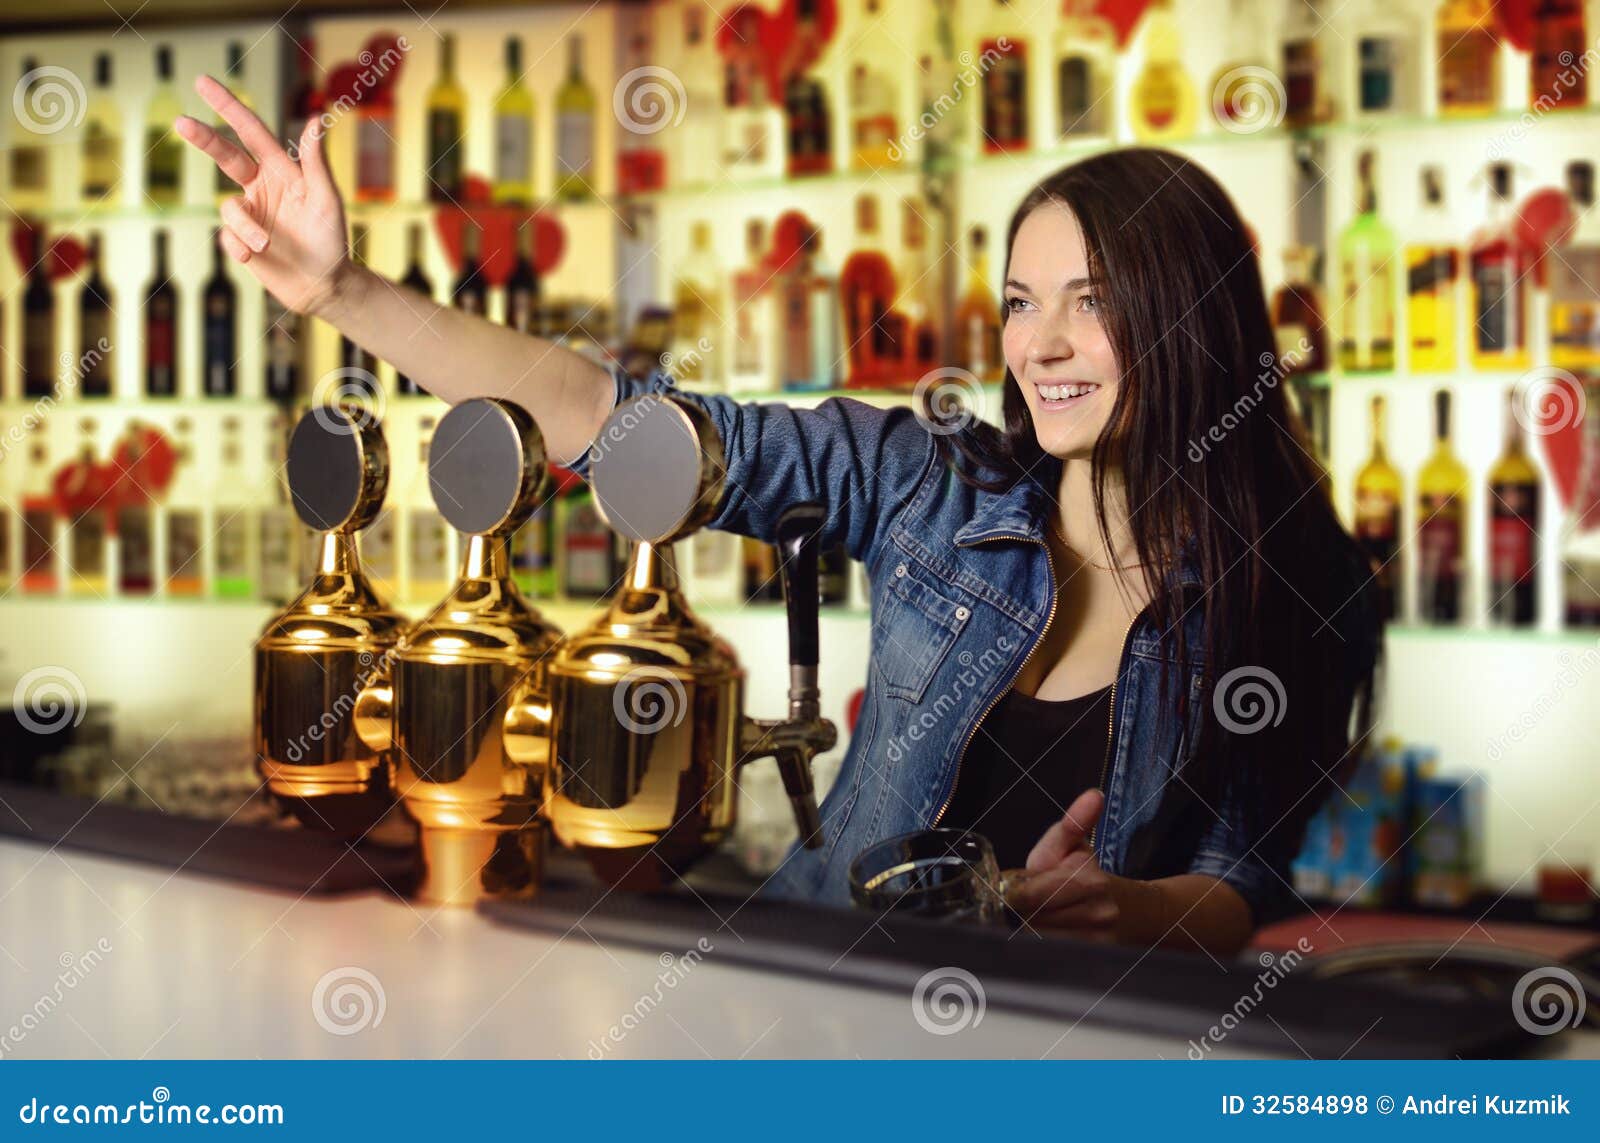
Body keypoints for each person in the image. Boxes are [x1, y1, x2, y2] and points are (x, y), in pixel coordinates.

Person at [176, 76, 1378, 957]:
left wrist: (1141, 912)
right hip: (816, 1000)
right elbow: (615, 419)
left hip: (1057, 1049)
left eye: (1089, 302)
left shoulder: (1284, 581)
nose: (1039, 344)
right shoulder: (929, 486)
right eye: (1019, 302)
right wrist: (343, 290)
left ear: (1191, 314)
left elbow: (1240, 870)